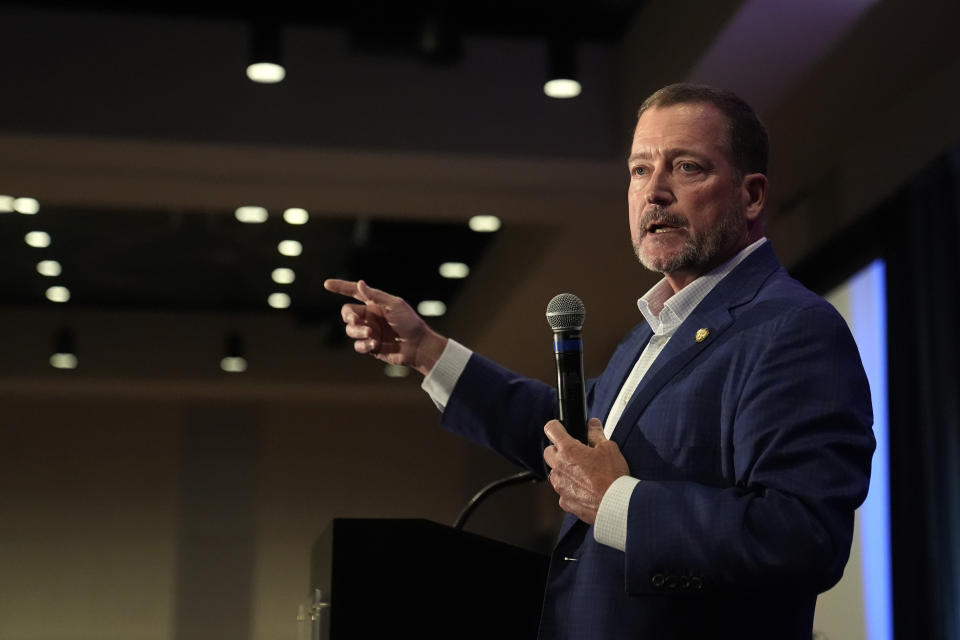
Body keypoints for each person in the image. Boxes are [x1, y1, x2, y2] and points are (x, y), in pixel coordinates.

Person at [324, 83, 875, 640]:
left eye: (685, 168)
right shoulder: (653, 333)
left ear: (751, 195)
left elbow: (803, 538)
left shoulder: (790, 329)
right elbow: (566, 432)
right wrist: (426, 352)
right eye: (639, 171)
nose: (653, 192)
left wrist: (617, 501)